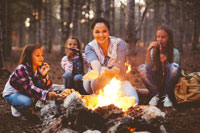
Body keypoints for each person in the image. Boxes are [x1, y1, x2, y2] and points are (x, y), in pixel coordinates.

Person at [83, 17, 139, 103]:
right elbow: (95, 62)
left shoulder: (119, 44)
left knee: (135, 101)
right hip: (93, 82)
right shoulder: (89, 47)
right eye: (97, 32)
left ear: (109, 31)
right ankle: (97, 99)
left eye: (104, 31)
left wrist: (105, 72)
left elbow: (116, 70)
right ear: (93, 33)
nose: (101, 35)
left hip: (117, 79)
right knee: (101, 70)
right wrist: (97, 71)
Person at [2, 44, 58, 118]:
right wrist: (47, 94)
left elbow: (48, 86)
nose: (41, 58)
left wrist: (43, 76)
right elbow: (29, 88)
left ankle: (35, 107)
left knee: (40, 82)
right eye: (37, 56)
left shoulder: (38, 68)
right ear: (29, 57)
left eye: (42, 55)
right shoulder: (22, 68)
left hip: (23, 91)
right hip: (12, 94)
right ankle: (16, 107)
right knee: (27, 102)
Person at [137, 24, 181, 107]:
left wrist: (166, 64)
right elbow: (148, 67)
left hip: (170, 84)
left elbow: (175, 73)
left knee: (174, 66)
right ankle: (155, 95)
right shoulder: (153, 51)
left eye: (163, 37)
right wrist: (148, 50)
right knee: (142, 68)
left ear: (169, 39)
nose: (160, 40)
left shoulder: (175, 52)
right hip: (157, 82)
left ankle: (167, 96)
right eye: (158, 37)